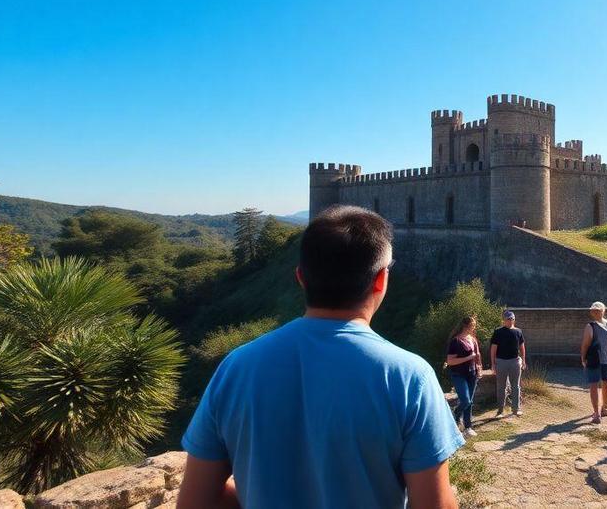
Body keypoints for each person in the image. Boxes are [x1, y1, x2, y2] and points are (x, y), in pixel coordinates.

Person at [178, 206, 462, 509]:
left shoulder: (236, 367)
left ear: (301, 277)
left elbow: (195, 502)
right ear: (381, 280)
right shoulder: (409, 377)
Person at [580, 301, 607, 424]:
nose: (595, 312)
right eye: (594, 310)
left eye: (596, 310)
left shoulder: (590, 326)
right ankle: (605, 408)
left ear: (602, 311)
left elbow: (585, 344)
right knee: (606, 383)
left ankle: (597, 413)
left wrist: (583, 358)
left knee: (594, 385)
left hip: (594, 359)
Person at [446, 316, 481, 437]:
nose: (475, 327)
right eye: (473, 325)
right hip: (458, 374)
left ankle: (468, 427)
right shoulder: (456, 341)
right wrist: (468, 358)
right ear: (467, 326)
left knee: (469, 402)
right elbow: (450, 361)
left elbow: (477, 355)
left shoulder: (473, 339)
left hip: (472, 373)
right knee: (466, 400)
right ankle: (456, 412)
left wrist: (479, 367)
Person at [490, 310, 526, 417]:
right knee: (501, 387)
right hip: (501, 362)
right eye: (508, 319)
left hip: (515, 362)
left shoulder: (518, 331)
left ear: (514, 320)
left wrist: (523, 360)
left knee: (516, 386)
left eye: (512, 319)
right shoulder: (498, 332)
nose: (510, 321)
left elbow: (522, 347)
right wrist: (493, 363)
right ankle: (500, 410)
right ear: (504, 320)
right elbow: (493, 349)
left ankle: (516, 409)